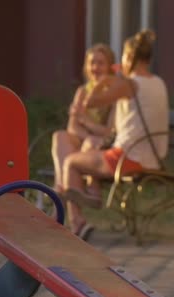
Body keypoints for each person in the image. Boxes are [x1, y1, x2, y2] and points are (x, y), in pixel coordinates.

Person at [61, 29, 169, 238]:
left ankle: (78, 221)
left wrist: (106, 79)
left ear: (128, 58)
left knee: (70, 163)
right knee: (89, 152)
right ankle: (89, 195)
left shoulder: (129, 84)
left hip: (127, 158)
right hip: (153, 158)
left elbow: (90, 102)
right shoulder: (158, 83)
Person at [51, 43, 116, 196]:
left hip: (104, 145)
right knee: (60, 136)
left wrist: (85, 121)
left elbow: (110, 131)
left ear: (109, 67)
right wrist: (87, 133)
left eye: (101, 63)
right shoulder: (82, 92)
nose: (96, 67)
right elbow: (72, 127)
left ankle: (72, 191)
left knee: (90, 142)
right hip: (85, 141)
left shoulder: (114, 93)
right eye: (92, 63)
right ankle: (61, 186)